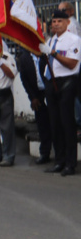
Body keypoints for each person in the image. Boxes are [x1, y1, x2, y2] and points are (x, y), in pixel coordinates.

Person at [39, 10, 81, 176]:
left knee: (67, 124)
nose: (56, 24)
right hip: (52, 83)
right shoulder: (52, 40)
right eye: (54, 21)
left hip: (67, 83)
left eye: (59, 21)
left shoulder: (74, 40)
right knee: (55, 124)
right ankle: (59, 160)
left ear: (67, 23)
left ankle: (70, 164)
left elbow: (72, 64)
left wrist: (53, 53)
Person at [16, 48, 53, 165]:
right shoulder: (24, 58)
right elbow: (24, 80)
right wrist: (32, 97)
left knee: (57, 123)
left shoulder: (45, 55)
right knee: (42, 125)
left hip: (51, 91)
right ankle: (45, 153)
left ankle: (62, 154)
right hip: (37, 94)